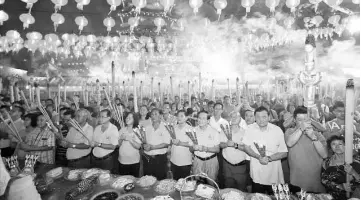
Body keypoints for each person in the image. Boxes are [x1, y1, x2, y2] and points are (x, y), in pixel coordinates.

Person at [242, 106, 288, 194]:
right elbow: (246, 147)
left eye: (264, 117)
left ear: (269, 117)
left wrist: (269, 158)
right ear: (255, 118)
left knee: (275, 197)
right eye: (258, 117)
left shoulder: (277, 130)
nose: (261, 120)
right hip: (257, 174)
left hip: (274, 174)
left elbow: (284, 152)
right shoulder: (250, 129)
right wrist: (258, 157)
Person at [285, 106, 327, 193]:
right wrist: (301, 128)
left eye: (305, 119)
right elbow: (289, 143)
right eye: (300, 120)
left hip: (315, 179)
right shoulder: (290, 131)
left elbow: (324, 155)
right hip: (297, 180)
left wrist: (313, 137)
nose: (303, 122)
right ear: (295, 120)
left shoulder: (317, 134)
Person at [321, 136, 360, 200]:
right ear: (330, 147)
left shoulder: (355, 163)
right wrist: (340, 186)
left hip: (354, 196)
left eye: (340, 144)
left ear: (345, 146)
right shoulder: (326, 163)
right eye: (334, 144)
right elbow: (324, 181)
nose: (337, 146)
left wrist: (353, 172)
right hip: (332, 196)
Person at [219, 111, 249, 191]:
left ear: (240, 119)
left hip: (240, 167)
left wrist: (235, 145)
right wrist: (226, 144)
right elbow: (220, 145)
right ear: (230, 119)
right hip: (227, 166)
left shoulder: (245, 132)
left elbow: (247, 148)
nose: (234, 118)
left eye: (236, 117)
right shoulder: (224, 130)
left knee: (241, 189)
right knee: (228, 189)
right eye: (232, 116)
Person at [190, 111, 220, 181]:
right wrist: (193, 148)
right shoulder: (193, 131)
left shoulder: (214, 131)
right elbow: (190, 149)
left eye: (203, 118)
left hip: (211, 161)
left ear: (208, 120)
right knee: (197, 182)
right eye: (199, 118)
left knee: (211, 183)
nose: (200, 120)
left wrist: (205, 148)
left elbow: (217, 149)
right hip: (198, 161)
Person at [143, 108, 171, 180]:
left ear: (160, 116)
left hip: (160, 158)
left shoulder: (165, 127)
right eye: (152, 114)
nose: (153, 116)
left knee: (160, 179)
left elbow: (166, 143)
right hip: (148, 158)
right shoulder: (147, 127)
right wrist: (144, 145)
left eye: (156, 114)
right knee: (148, 179)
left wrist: (153, 147)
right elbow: (144, 141)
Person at [170, 110, 193, 180]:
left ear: (186, 118)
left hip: (185, 162)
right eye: (178, 116)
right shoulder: (173, 128)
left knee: (184, 183)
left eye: (181, 116)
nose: (179, 118)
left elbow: (191, 144)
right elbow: (170, 142)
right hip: (174, 160)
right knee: (175, 181)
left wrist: (180, 143)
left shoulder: (190, 129)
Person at [118, 112, 142, 177]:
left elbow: (138, 146)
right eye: (127, 117)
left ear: (134, 120)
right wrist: (121, 139)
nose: (127, 119)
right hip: (122, 160)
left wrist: (129, 139)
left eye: (130, 118)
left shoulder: (137, 131)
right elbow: (118, 144)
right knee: (123, 181)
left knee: (133, 182)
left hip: (133, 161)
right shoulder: (122, 129)